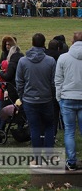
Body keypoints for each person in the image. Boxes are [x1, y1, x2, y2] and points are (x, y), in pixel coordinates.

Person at [16, 33, 57, 153]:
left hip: (30, 99)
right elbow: (54, 82)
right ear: (44, 44)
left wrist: (22, 96)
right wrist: (52, 95)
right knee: (49, 126)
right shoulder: (50, 61)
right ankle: (49, 154)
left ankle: (37, 155)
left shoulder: (23, 61)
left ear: (32, 43)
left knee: (34, 128)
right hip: (45, 98)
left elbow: (19, 82)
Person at [55, 31, 82, 171]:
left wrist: (59, 97)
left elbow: (58, 80)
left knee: (69, 131)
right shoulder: (64, 57)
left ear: (72, 42)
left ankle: (71, 161)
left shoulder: (63, 58)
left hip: (67, 98)